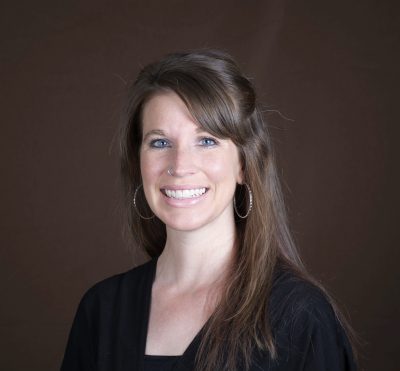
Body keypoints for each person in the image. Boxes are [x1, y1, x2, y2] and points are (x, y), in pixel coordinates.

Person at [61, 49, 357, 371]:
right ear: (138, 163)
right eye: (160, 143)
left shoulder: (300, 316)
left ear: (244, 164)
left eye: (206, 141)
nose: (180, 166)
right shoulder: (102, 311)